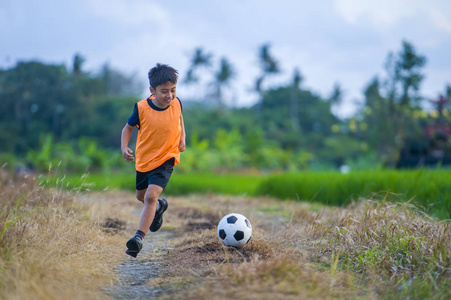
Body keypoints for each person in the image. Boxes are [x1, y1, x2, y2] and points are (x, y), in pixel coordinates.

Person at [121, 63, 185, 258]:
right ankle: (159, 207)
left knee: (149, 197)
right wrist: (124, 147)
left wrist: (182, 137)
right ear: (152, 90)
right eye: (164, 91)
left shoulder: (177, 103)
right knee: (142, 197)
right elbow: (127, 129)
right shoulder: (141, 108)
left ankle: (138, 239)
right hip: (144, 160)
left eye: (173, 90)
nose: (170, 96)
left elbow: (179, 118)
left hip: (167, 158)